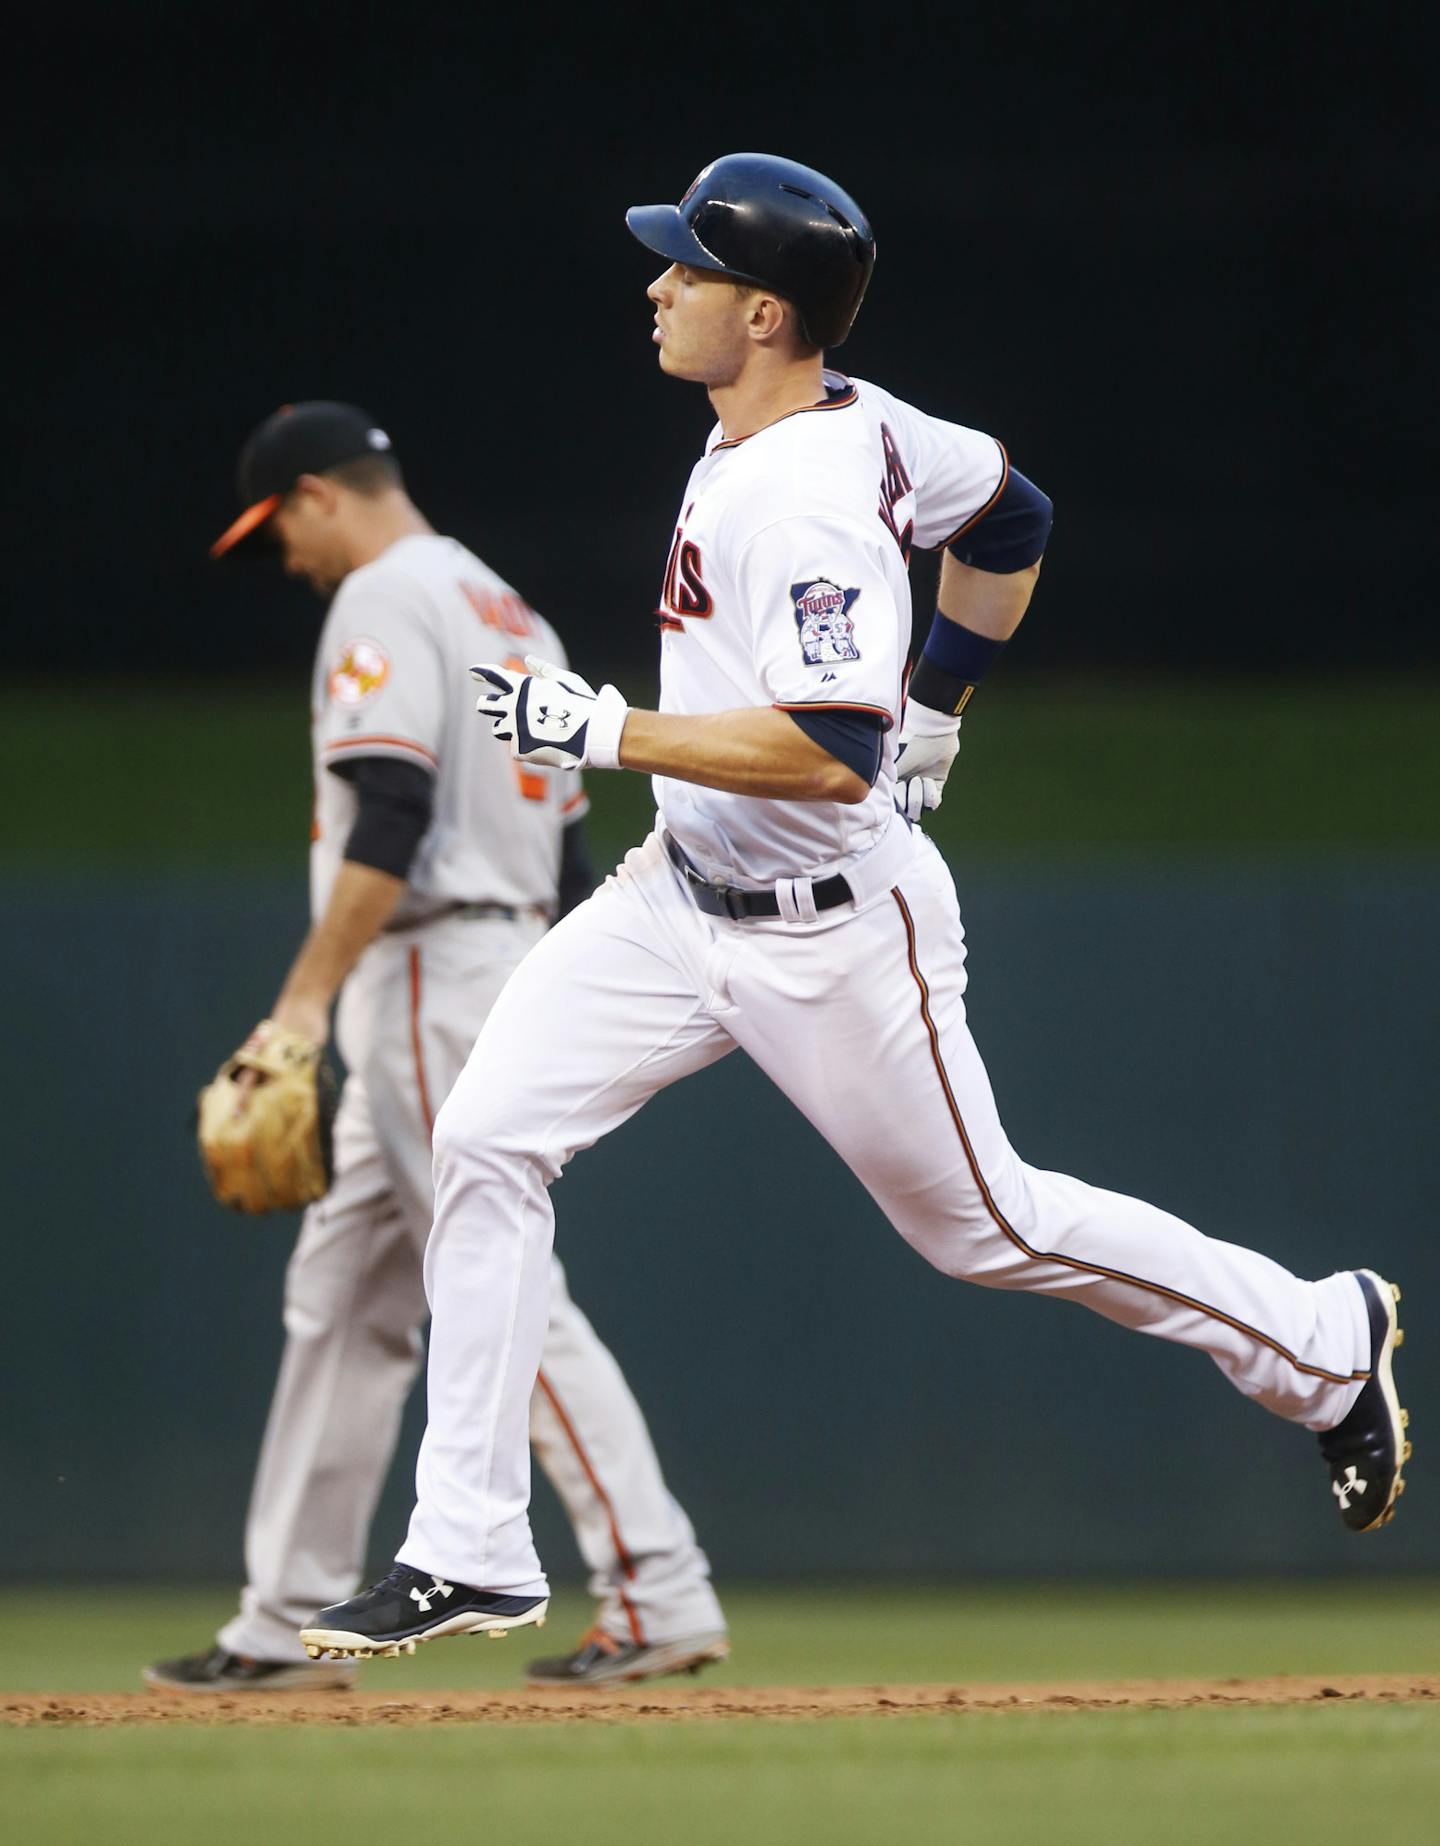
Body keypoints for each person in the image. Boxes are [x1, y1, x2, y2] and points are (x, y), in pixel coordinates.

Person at [297, 157, 1410, 1662]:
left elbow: (831, 753)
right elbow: (1013, 512)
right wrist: (947, 692)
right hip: (673, 900)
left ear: (762, 312)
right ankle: (471, 1544)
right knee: (486, 1137)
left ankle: (1323, 1344)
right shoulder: (857, 419)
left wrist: (608, 731)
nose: (657, 287)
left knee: (990, 1223)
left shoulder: (808, 494)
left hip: (832, 930)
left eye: (684, 270)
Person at [145, 401, 728, 1692]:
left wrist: (298, 1006)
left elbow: (392, 810)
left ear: (317, 496)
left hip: (426, 965)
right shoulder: (515, 613)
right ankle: (283, 1616)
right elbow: (577, 855)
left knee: (507, 1291)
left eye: (278, 534)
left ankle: (657, 1584)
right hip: (500, 952)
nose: (286, 563)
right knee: (344, 1299)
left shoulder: (381, 600)